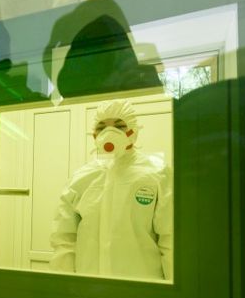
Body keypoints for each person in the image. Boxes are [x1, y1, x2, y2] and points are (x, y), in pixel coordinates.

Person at [49, 99, 173, 281]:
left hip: (142, 286)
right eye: (101, 127)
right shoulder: (82, 178)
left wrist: (174, 290)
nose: (109, 133)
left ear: (133, 130)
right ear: (94, 134)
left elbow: (170, 239)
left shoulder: (157, 173)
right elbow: (64, 239)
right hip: (89, 284)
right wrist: (64, 286)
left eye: (119, 126)